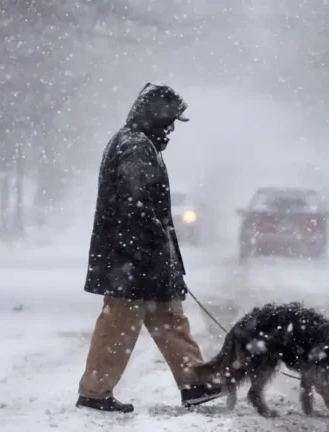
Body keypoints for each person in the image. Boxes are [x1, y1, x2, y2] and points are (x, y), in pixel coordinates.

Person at [76, 83, 223, 413]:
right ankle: (95, 392)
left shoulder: (139, 143)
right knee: (119, 324)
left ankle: (194, 382)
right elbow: (137, 205)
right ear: (154, 117)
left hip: (143, 257)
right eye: (168, 121)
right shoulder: (134, 147)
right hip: (131, 258)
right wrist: (151, 250)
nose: (171, 129)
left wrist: (164, 256)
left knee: (169, 318)